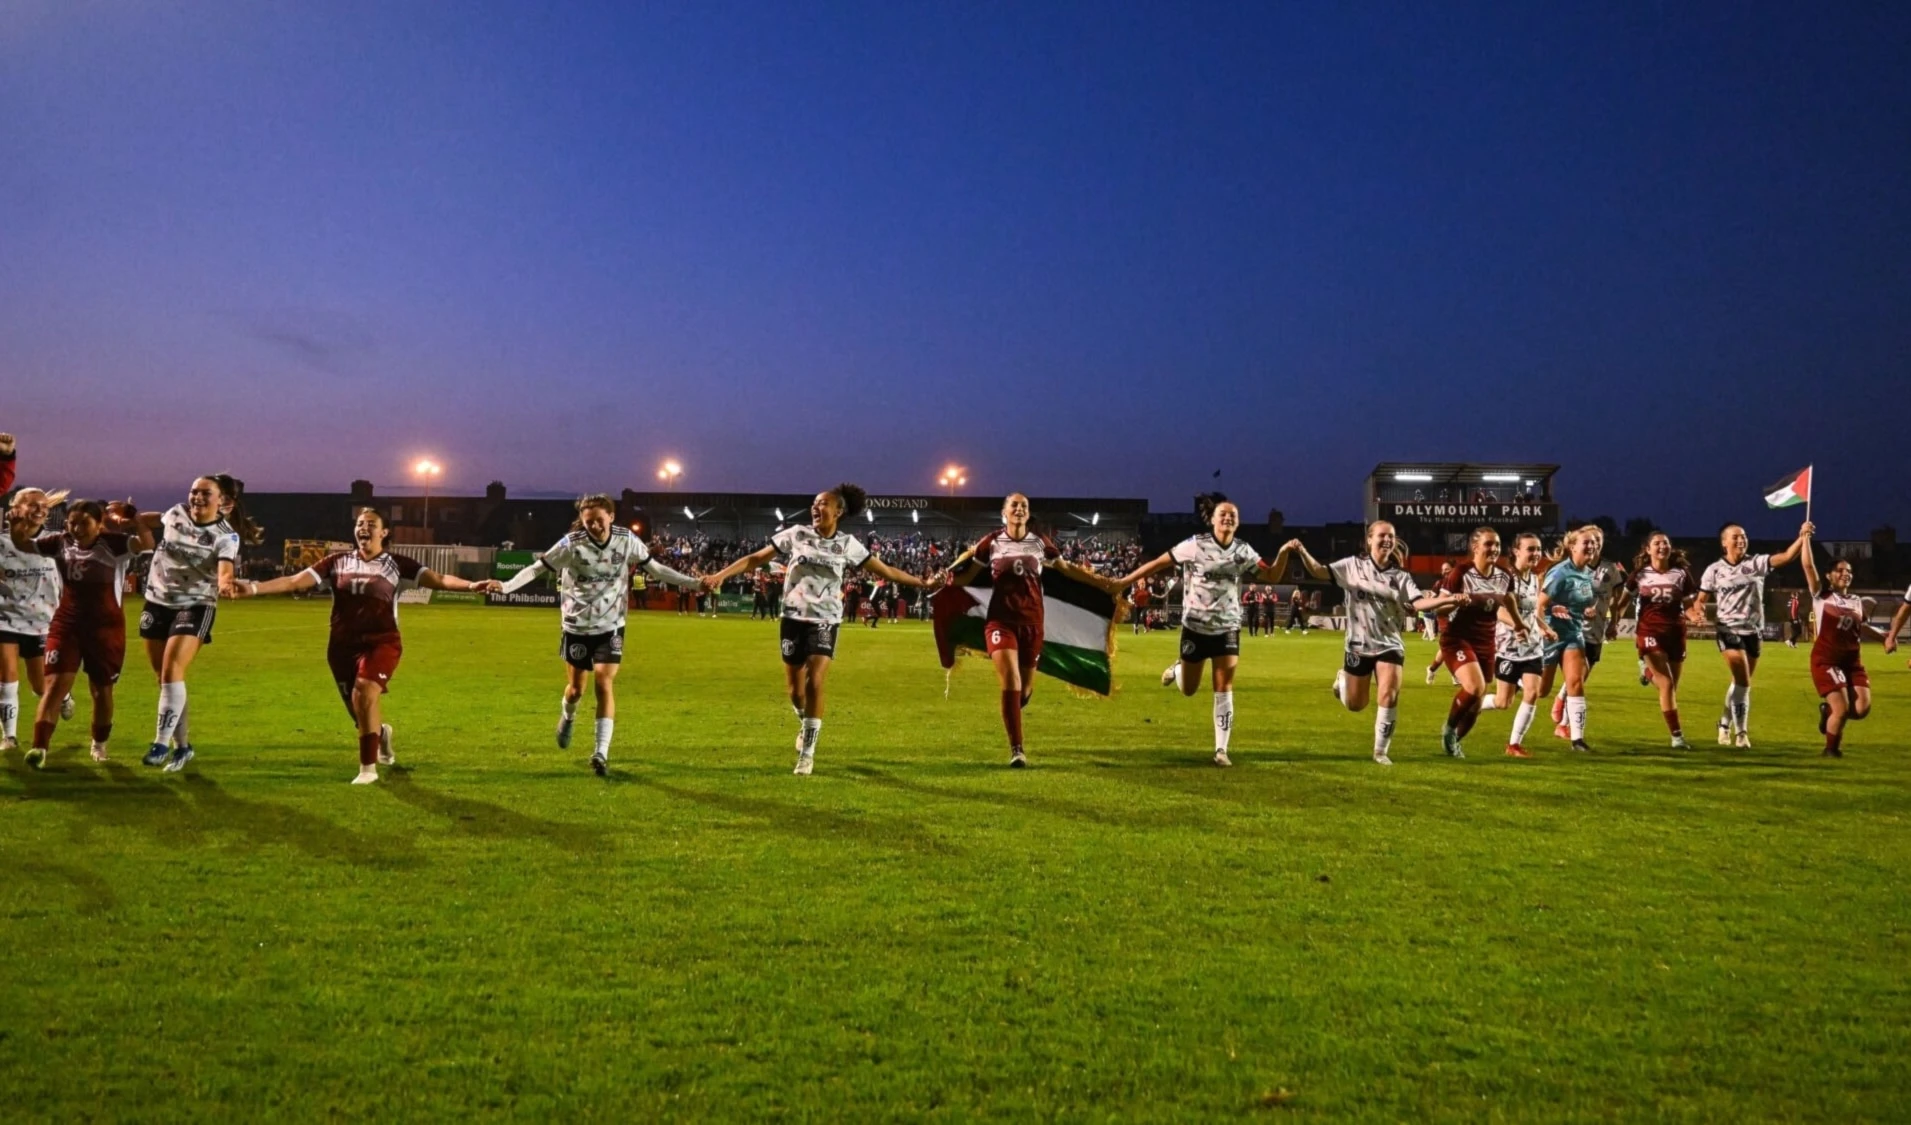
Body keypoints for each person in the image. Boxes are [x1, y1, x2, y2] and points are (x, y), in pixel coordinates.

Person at [229, 508, 502, 784]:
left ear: (384, 533)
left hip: (382, 642)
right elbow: (294, 581)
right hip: (341, 646)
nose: (364, 527)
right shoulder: (336, 562)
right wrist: (252, 588)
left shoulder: (397, 564)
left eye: (371, 524)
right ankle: (381, 734)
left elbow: (441, 580)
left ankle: (367, 770)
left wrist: (472, 586)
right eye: (360, 523)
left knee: (365, 691)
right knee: (359, 713)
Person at [700, 484, 935, 775]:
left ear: (838, 511)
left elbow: (885, 571)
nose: (816, 507)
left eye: (823, 503)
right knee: (795, 692)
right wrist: (720, 575)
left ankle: (807, 754)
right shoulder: (797, 534)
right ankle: (804, 721)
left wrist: (922, 583)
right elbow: (756, 559)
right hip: (792, 618)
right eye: (814, 502)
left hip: (825, 619)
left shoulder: (848, 544)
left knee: (815, 682)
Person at [495, 495, 702, 775]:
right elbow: (537, 568)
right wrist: (506, 587)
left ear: (612, 517)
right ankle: (568, 717)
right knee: (576, 690)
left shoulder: (626, 540)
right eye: (588, 521)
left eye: (599, 520)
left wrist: (694, 583)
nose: (594, 525)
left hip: (611, 626)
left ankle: (600, 753)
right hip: (577, 627)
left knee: (604, 682)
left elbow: (657, 569)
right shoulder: (571, 545)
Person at [941, 493, 1125, 768]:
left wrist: (1102, 583)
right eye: (1013, 505)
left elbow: (1066, 570)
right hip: (1000, 622)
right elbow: (966, 577)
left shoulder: (1040, 543)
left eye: (1023, 506)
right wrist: (943, 581)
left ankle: (1012, 708)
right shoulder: (990, 543)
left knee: (1024, 690)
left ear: (1028, 514)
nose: (1019, 509)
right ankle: (1017, 749)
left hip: (1033, 624)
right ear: (1004, 513)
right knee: (1011, 682)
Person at [1115, 494, 1289, 767]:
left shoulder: (1243, 551)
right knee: (1189, 690)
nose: (1229, 518)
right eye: (1224, 514)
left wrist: (1284, 554)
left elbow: (1271, 575)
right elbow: (1160, 562)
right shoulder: (1195, 545)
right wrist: (1126, 580)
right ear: (1214, 520)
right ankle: (1178, 669)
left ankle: (1221, 750)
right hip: (1195, 627)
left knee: (1224, 688)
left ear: (1238, 522)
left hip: (1228, 628)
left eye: (1233, 514)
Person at [1283, 522, 1461, 764]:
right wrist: (1302, 552)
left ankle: (1380, 751)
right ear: (1369, 540)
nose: (1387, 540)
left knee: (1389, 694)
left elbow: (1418, 604)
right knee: (1356, 705)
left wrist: (1445, 600)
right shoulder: (1352, 566)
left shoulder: (1401, 577)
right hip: (1358, 644)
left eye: (1392, 536)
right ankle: (1343, 678)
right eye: (1382, 535)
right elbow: (1319, 571)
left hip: (1390, 643)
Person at [133, 475, 262, 771]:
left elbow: (225, 571)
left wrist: (227, 583)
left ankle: (160, 743)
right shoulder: (176, 513)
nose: (197, 498)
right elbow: (149, 519)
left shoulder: (225, 536)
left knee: (172, 670)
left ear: (223, 503)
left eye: (206, 493)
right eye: (194, 492)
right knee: (166, 679)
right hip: (157, 601)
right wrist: (130, 518)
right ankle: (183, 747)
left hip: (195, 605)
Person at [24, 500, 150, 767]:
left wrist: (135, 518)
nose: (76, 528)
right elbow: (25, 544)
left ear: (99, 524)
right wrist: (16, 525)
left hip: (105, 629)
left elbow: (147, 543)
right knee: (55, 686)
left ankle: (99, 743)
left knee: (101, 692)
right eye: (72, 522)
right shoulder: (60, 542)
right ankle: (39, 748)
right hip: (67, 624)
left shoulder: (113, 544)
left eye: (84, 523)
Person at [1694, 522, 1812, 748]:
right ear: (1724, 543)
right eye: (1736, 537)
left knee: (1739, 684)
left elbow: (1786, 557)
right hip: (1728, 629)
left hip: (1754, 631)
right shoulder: (1714, 570)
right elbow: (1700, 600)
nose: (1741, 540)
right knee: (1743, 681)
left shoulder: (1755, 563)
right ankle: (1742, 734)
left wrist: (1802, 536)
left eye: (1744, 536)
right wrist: (1697, 612)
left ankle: (1723, 723)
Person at [1433, 528, 1518, 758]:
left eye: (1497, 544)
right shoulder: (1460, 573)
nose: (1494, 549)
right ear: (1475, 547)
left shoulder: (1504, 575)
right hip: (1457, 639)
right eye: (1489, 544)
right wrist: (1454, 601)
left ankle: (1454, 742)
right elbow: (1438, 607)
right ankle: (1449, 730)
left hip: (1486, 642)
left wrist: (1518, 624)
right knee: (1474, 687)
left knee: (1476, 704)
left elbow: (1506, 603)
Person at [1, 484, 65, 753]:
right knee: (6, 678)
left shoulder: (57, 541)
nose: (40, 510)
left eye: (44, 506)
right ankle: (10, 737)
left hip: (43, 621)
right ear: (17, 508)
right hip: (5, 619)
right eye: (32, 505)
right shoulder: (2, 542)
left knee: (40, 686)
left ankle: (63, 694)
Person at [1624, 531, 1701, 749]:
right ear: (1648, 549)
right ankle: (1677, 737)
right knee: (1666, 684)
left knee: (1670, 689)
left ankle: (1647, 672)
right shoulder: (1639, 574)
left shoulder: (1682, 574)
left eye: (1665, 543)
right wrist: (1612, 621)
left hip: (1676, 633)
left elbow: (1688, 606)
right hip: (1649, 631)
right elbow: (1622, 600)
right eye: (1657, 543)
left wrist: (1694, 615)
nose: (1662, 546)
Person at [1801, 545, 1880, 757]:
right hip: (1827, 661)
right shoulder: (1821, 595)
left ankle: (1828, 712)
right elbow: (1808, 566)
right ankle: (1831, 750)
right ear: (1828, 575)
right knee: (1842, 709)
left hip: (1852, 662)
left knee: (1861, 709)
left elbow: (1861, 627)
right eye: (1840, 570)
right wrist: (1805, 539)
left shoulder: (1855, 601)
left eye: (1849, 571)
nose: (1846, 574)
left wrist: (1885, 638)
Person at [1548, 527, 1628, 729]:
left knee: (1583, 676)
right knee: (1577, 676)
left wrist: (1614, 623)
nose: (1595, 543)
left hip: (1596, 629)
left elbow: (1615, 600)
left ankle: (1563, 719)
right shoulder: (1569, 569)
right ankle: (1563, 718)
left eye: (1598, 540)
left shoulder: (1610, 569)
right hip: (1573, 628)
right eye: (1591, 540)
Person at [1480, 532, 1548, 757]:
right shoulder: (1506, 579)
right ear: (1516, 551)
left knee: (1533, 692)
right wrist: (1517, 626)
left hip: (1533, 648)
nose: (1536, 554)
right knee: (1503, 702)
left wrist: (1544, 627)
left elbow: (1530, 612)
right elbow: (1500, 612)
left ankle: (1514, 744)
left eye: (1538, 549)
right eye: (1531, 549)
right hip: (1508, 649)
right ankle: (1477, 704)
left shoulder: (1535, 579)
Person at [1536, 529, 1604, 752]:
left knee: (1576, 682)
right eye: (1586, 542)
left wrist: (1586, 612)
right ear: (1572, 546)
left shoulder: (1587, 573)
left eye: (1594, 543)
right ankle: (1518, 679)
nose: (1591, 546)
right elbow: (1540, 605)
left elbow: (1578, 604)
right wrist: (1545, 628)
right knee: (1540, 691)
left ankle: (1577, 740)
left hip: (1573, 634)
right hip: (1551, 635)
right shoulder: (1560, 572)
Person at [1424, 559, 1456, 683]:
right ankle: (1455, 674)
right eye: (1442, 570)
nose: (1444, 572)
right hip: (1445, 618)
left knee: (1446, 649)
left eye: (1447, 570)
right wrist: (1434, 599)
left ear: (1454, 569)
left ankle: (1432, 669)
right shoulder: (1440, 584)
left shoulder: (1461, 583)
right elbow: (1430, 599)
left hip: (1458, 619)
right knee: (1451, 645)